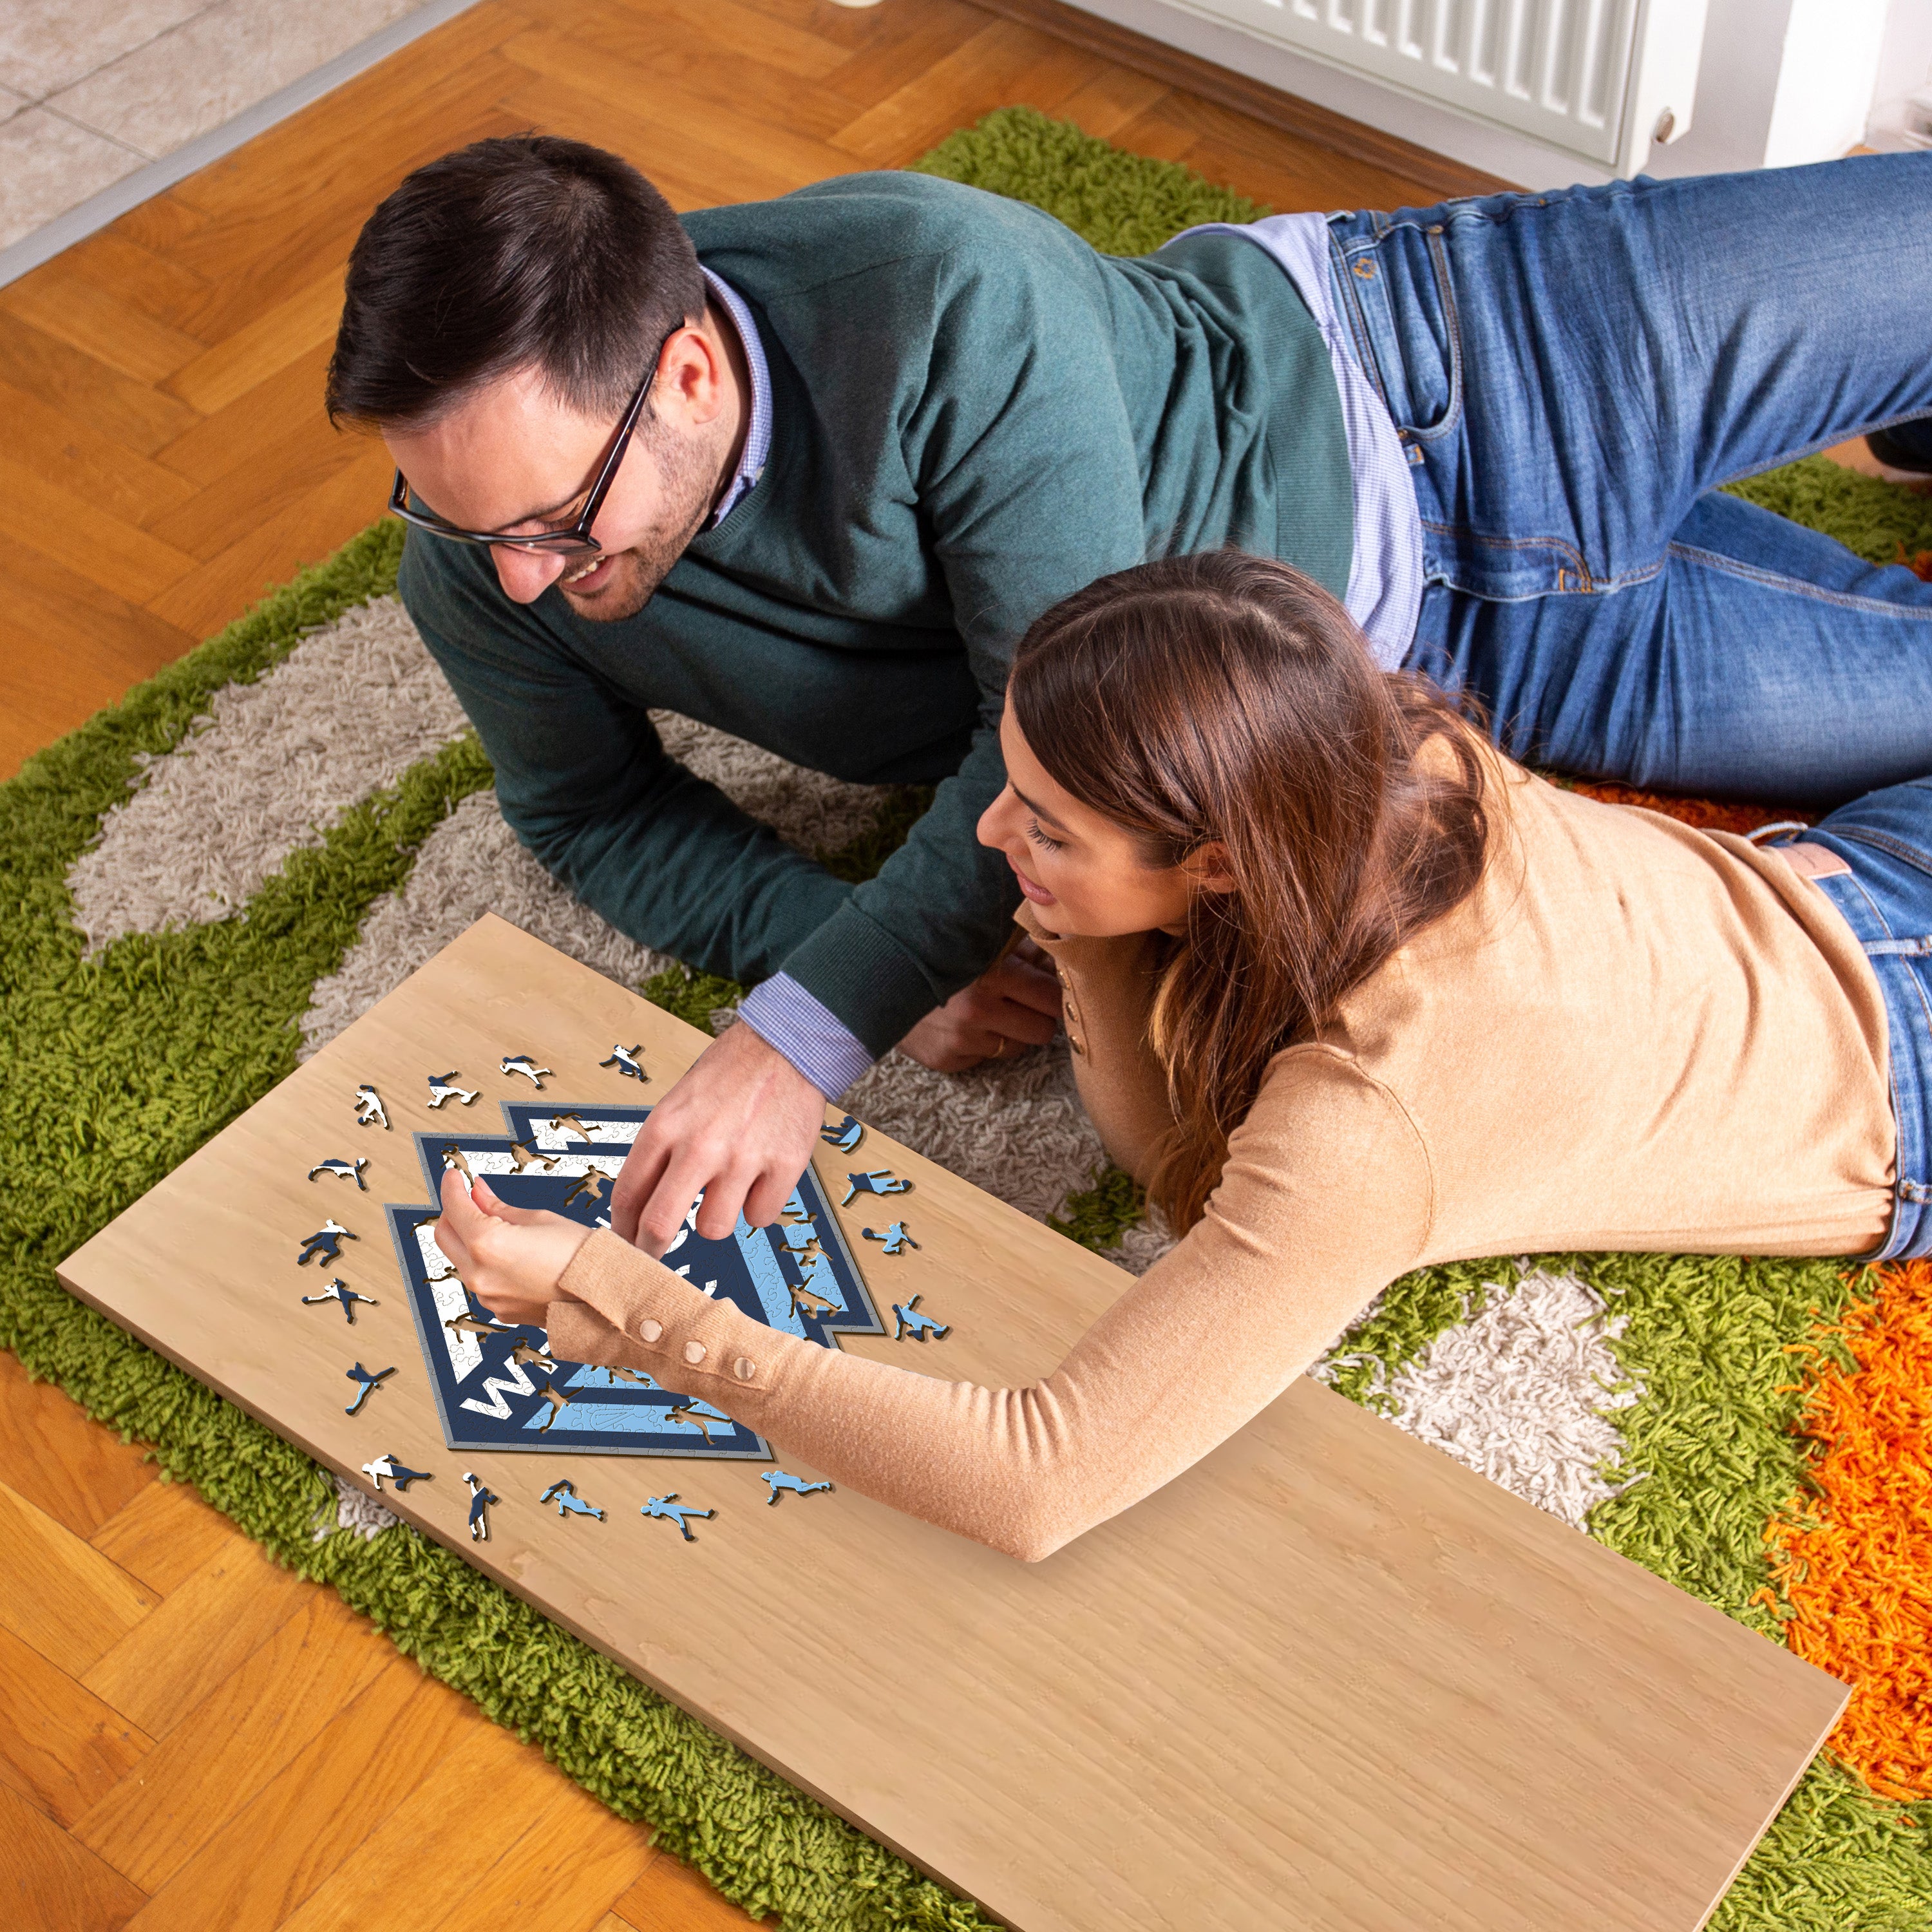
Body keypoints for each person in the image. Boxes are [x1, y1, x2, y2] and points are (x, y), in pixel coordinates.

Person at [326, 135, 1932, 1255]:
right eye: (458, 520)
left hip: (1462, 360)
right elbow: (583, 806)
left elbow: (1044, 717)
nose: (517, 579)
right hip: (1416, 673)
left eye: (552, 521)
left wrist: (804, 1029)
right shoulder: (477, 564)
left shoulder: (941, 289)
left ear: (684, 375)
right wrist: (808, 931)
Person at [428, 552, 1929, 1562]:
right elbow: (1179, 1154)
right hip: (1848, 868)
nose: (987, 837)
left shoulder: (1368, 1125)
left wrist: (614, 1303)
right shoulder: (1361, 732)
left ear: (1217, 865)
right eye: (1007, 787)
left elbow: (1037, 1476)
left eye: (1050, 825)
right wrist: (1075, 916)